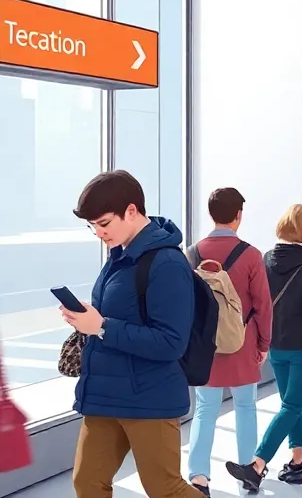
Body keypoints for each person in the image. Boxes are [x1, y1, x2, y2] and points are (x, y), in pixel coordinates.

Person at [65, 170, 202, 498]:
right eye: (92, 226)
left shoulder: (167, 263)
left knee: (164, 489)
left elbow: (171, 342)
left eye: (104, 223)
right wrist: (90, 321)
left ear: (131, 211)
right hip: (104, 394)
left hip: (150, 397)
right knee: (87, 483)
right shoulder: (119, 257)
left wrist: (100, 326)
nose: (98, 232)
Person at [225, 205, 302, 491]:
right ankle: (257, 465)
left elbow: (261, 304)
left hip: (276, 345)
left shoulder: (267, 258)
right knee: (295, 405)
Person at [186, 188, 273, 495]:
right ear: (239, 215)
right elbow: (263, 304)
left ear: (211, 214)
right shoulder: (250, 255)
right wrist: (264, 344)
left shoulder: (192, 253)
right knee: (246, 406)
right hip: (242, 342)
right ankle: (249, 470)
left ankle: (198, 478)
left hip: (205, 347)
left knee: (205, 410)